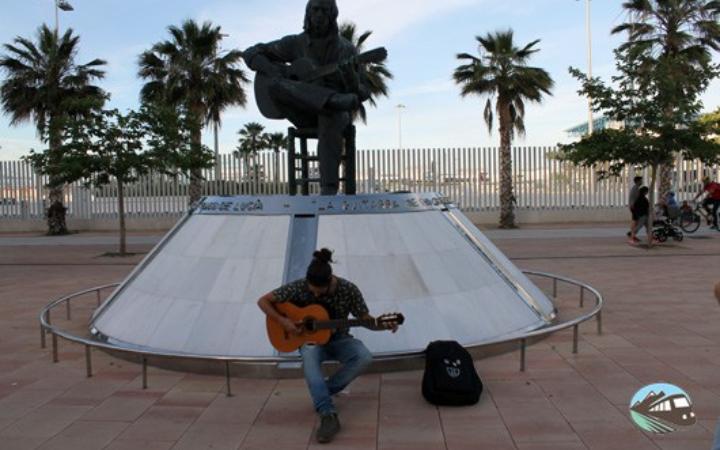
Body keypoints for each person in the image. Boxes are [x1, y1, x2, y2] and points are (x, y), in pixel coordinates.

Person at [257, 248, 397, 444]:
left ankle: (321, 390)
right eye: (311, 288)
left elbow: (365, 320)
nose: (313, 292)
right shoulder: (300, 287)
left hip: (340, 339)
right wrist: (283, 322)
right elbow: (263, 301)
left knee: (364, 356)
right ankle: (327, 413)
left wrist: (382, 325)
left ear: (330, 280)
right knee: (309, 356)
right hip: (311, 341)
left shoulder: (349, 290)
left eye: (318, 290)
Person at [243, 0, 374, 195]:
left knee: (330, 115)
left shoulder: (346, 50)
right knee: (275, 86)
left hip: (336, 116)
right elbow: (250, 53)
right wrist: (274, 71)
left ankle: (328, 192)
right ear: (308, 13)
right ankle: (331, 99)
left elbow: (363, 93)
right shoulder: (295, 43)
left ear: (332, 15)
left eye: (324, 10)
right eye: (315, 10)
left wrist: (352, 81)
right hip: (302, 111)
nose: (319, 15)